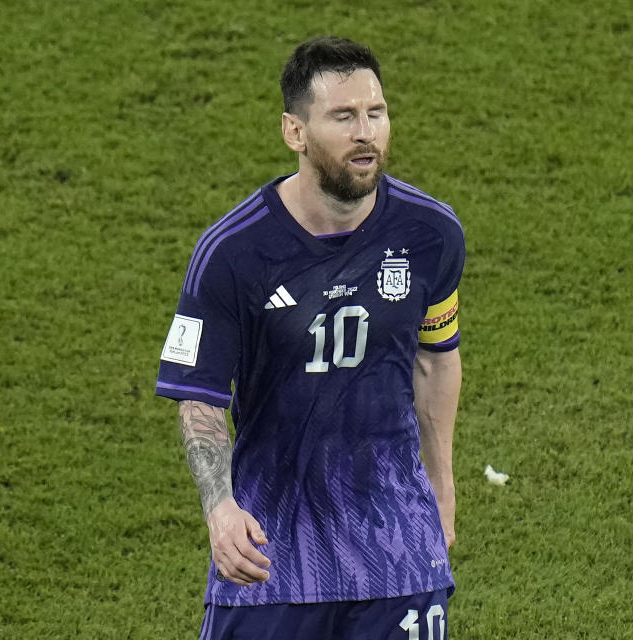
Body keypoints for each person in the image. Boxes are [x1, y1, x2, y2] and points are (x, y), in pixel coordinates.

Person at [156, 35, 464, 639]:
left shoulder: (431, 234)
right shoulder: (233, 253)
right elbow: (200, 397)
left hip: (396, 545)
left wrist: (441, 494)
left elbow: (436, 362)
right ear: (294, 132)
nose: (365, 133)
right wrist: (219, 509)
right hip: (272, 556)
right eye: (343, 117)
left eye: (375, 113)